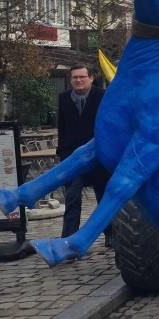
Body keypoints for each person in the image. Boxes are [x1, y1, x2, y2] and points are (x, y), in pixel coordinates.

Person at [57, 65, 111, 244]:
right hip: (73, 159)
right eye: (75, 78)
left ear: (91, 78)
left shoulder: (103, 96)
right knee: (72, 198)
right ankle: (68, 240)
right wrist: (62, 155)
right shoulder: (63, 99)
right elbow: (62, 129)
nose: (78, 80)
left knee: (103, 199)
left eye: (82, 77)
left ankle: (112, 236)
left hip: (99, 157)